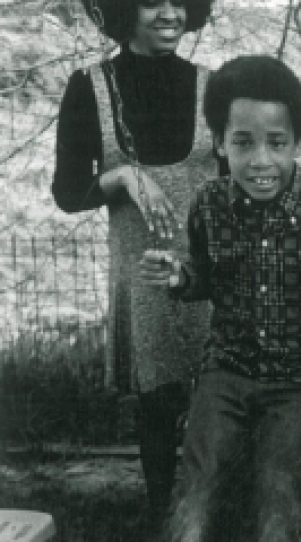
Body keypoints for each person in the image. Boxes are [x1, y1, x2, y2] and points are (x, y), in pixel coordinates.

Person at [139, 55, 301, 542]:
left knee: (277, 485)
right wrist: (179, 278)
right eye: (242, 142)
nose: (260, 161)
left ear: (297, 143)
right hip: (228, 369)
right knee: (198, 480)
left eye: (276, 143)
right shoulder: (210, 205)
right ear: (219, 143)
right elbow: (205, 277)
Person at [51, 0, 216, 527]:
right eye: (152, 2)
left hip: (213, 265)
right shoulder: (91, 86)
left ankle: (218, 512)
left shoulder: (214, 86)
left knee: (221, 395)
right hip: (142, 270)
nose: (169, 14)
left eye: (179, 2)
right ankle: (166, 518)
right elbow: (67, 191)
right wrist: (123, 178)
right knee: (158, 406)